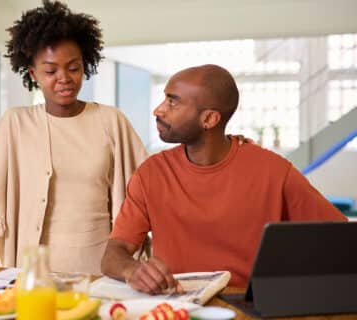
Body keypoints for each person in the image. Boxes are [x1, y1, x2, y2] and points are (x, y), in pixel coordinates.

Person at [0, 0, 148, 275]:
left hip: (96, 270)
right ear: (34, 74)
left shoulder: (111, 121)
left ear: (85, 66)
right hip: (29, 273)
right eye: (50, 71)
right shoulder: (16, 123)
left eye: (73, 68)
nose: (64, 78)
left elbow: (143, 193)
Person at [101, 64, 348, 292]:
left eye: (172, 102)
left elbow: (340, 239)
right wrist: (131, 269)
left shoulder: (274, 171)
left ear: (209, 119)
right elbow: (114, 253)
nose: (158, 110)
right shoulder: (151, 173)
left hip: (249, 307)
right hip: (176, 307)